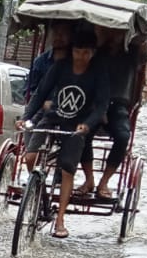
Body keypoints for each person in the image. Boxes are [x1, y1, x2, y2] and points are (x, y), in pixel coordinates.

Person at [19, 24, 109, 239]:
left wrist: (87, 124)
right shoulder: (60, 67)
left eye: (86, 53)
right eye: (78, 52)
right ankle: (38, 193)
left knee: (68, 170)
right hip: (52, 118)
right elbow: (40, 94)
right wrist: (26, 117)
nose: (81, 57)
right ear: (72, 51)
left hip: (76, 126)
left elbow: (101, 106)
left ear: (92, 53)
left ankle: (60, 219)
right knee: (30, 157)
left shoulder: (98, 73)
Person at [84, 25, 147, 200]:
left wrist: (144, 43)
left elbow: (144, 57)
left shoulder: (132, 54)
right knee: (82, 132)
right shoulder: (96, 52)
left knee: (123, 136)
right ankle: (89, 179)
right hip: (94, 104)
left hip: (118, 105)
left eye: (119, 33)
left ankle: (104, 181)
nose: (115, 36)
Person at [26, 22, 70, 100]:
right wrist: (43, 103)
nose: (59, 36)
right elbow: (28, 92)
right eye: (55, 32)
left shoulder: (75, 62)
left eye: (64, 32)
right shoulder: (40, 62)